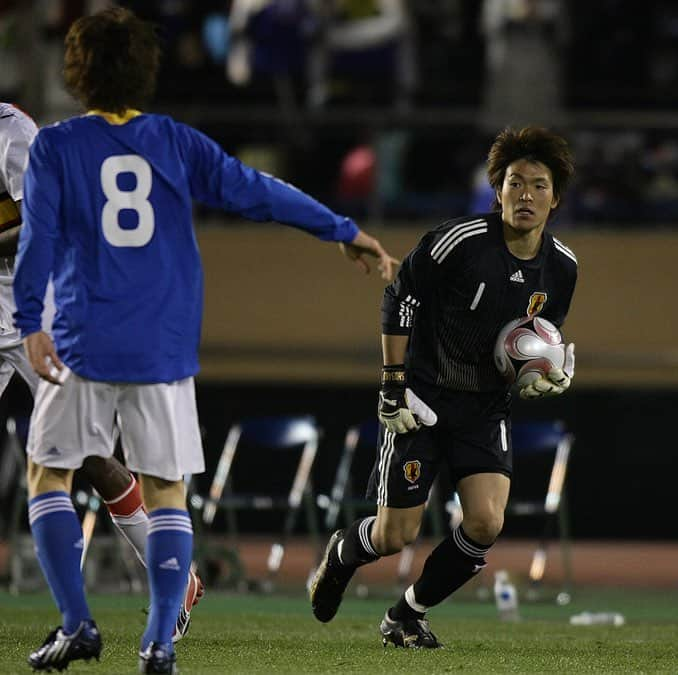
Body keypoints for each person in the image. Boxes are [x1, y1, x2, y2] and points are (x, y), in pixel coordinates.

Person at [14, 8, 397, 673]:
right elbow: (259, 191)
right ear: (144, 70)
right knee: (166, 489)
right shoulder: (175, 142)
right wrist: (341, 228)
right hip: (160, 345)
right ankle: (159, 641)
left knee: (48, 471)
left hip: (81, 340)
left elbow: (36, 241)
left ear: (76, 71)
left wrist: (29, 320)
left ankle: (78, 624)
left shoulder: (54, 146)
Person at [310, 126, 577, 647]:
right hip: (423, 401)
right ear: (496, 189)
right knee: (395, 536)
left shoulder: (562, 267)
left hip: (484, 407)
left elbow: (543, 335)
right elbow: (399, 299)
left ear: (556, 198)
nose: (526, 195)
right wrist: (392, 384)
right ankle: (344, 553)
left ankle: (407, 614)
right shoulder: (459, 243)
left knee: (485, 522)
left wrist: (552, 371)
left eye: (539, 185)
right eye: (515, 183)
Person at [0, 100, 205, 648]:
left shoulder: (12, 130)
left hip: (34, 310)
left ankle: (176, 579)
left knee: (88, 455)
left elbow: (34, 222)